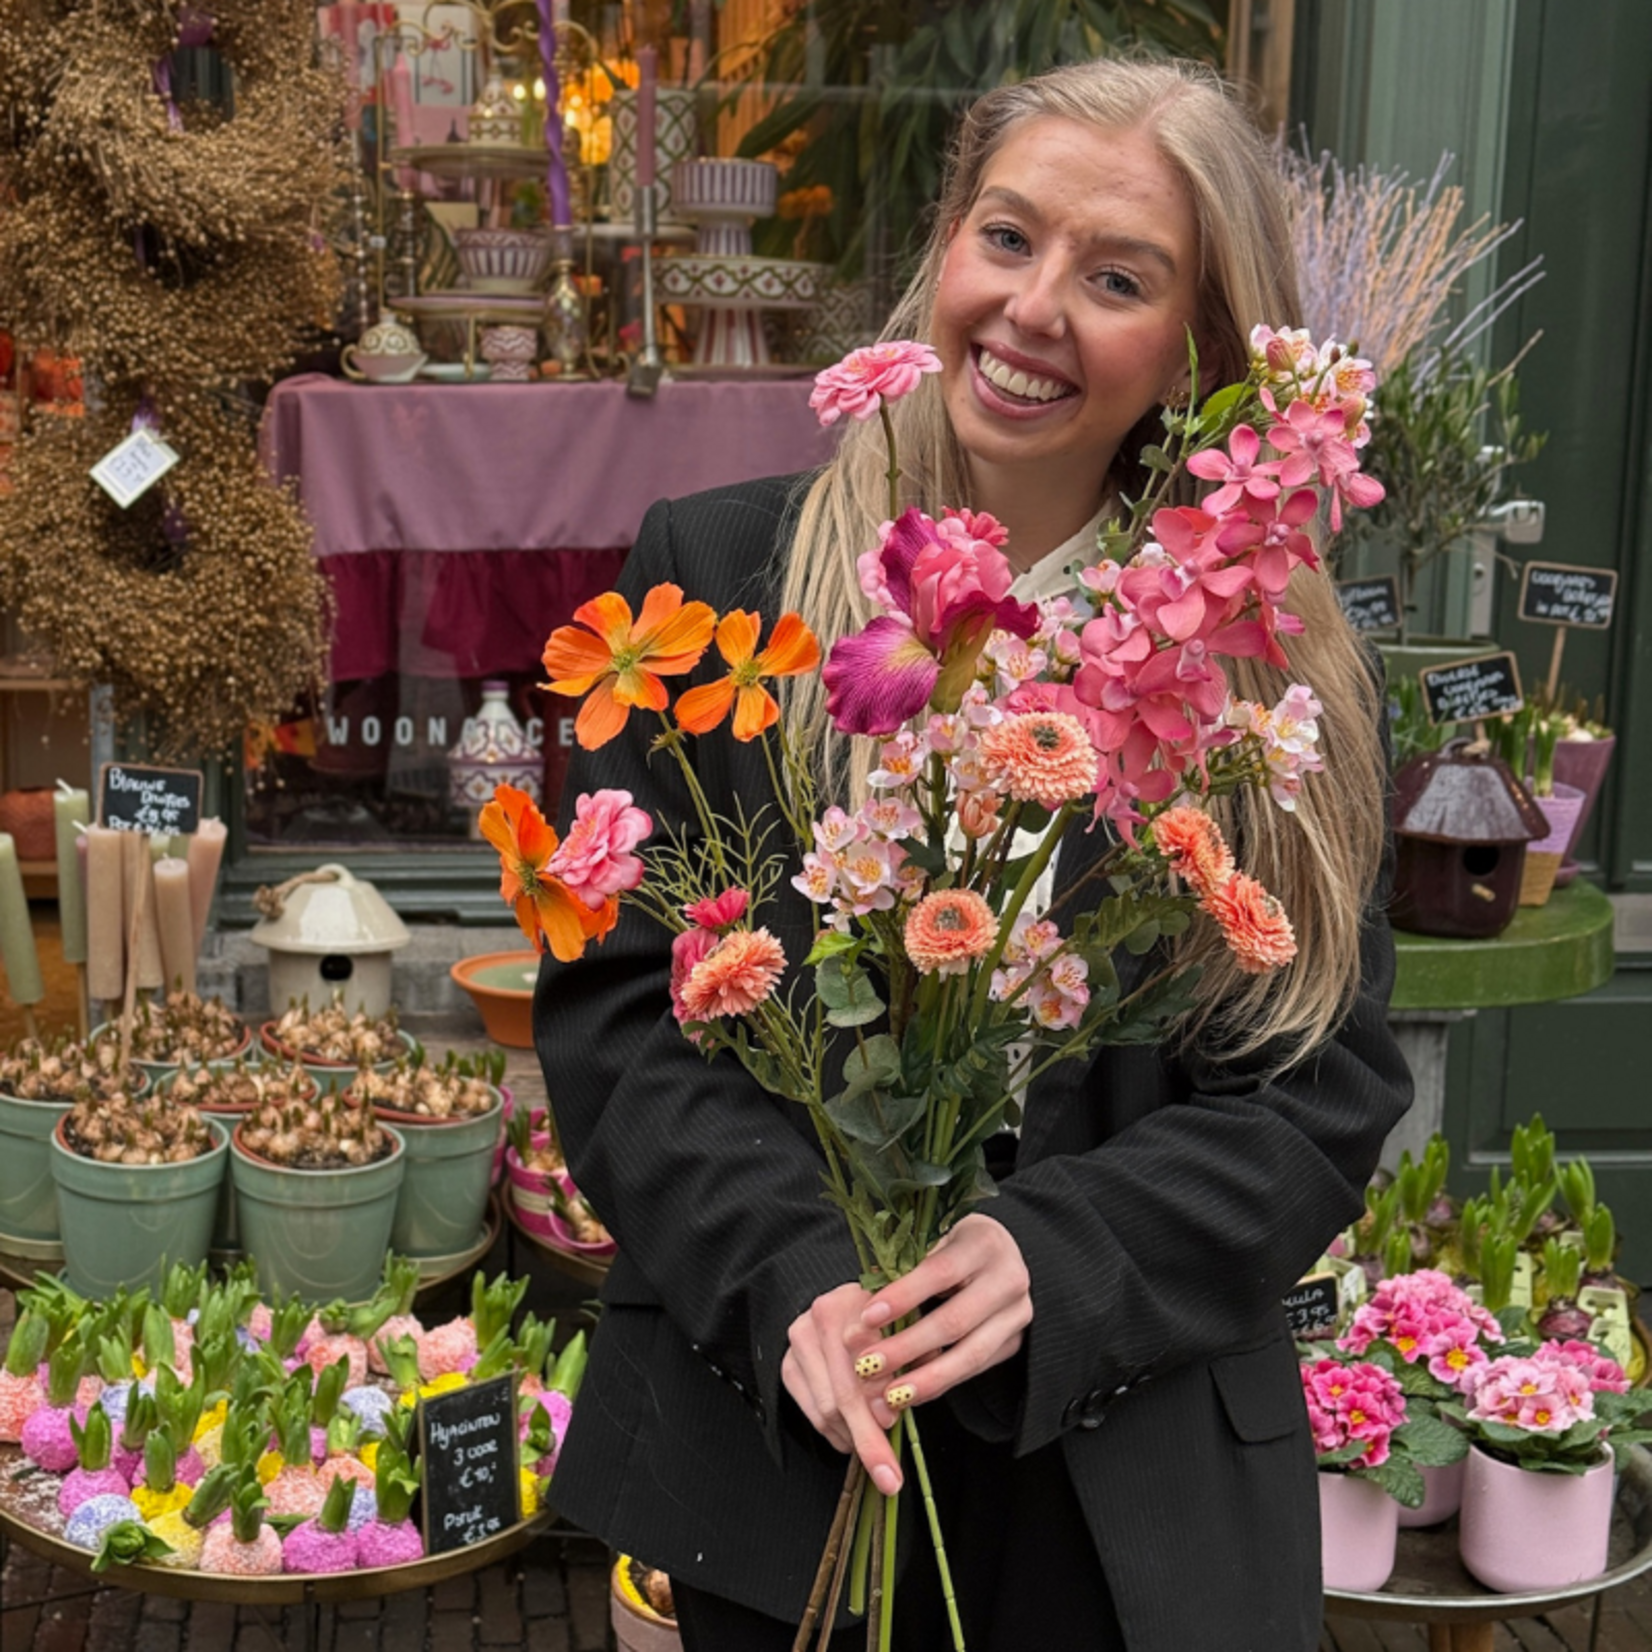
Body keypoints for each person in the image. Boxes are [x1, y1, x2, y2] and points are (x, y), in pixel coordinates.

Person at [533, 55, 1412, 1652]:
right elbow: (618, 1017)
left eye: (1119, 276)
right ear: (945, 246)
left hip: (1131, 1505)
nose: (1033, 309)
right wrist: (791, 1271)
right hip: (790, 1462)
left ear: (1203, 350)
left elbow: (1319, 1089)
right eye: (1007, 239)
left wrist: (1056, 1256)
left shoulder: (1269, 668)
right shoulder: (724, 580)